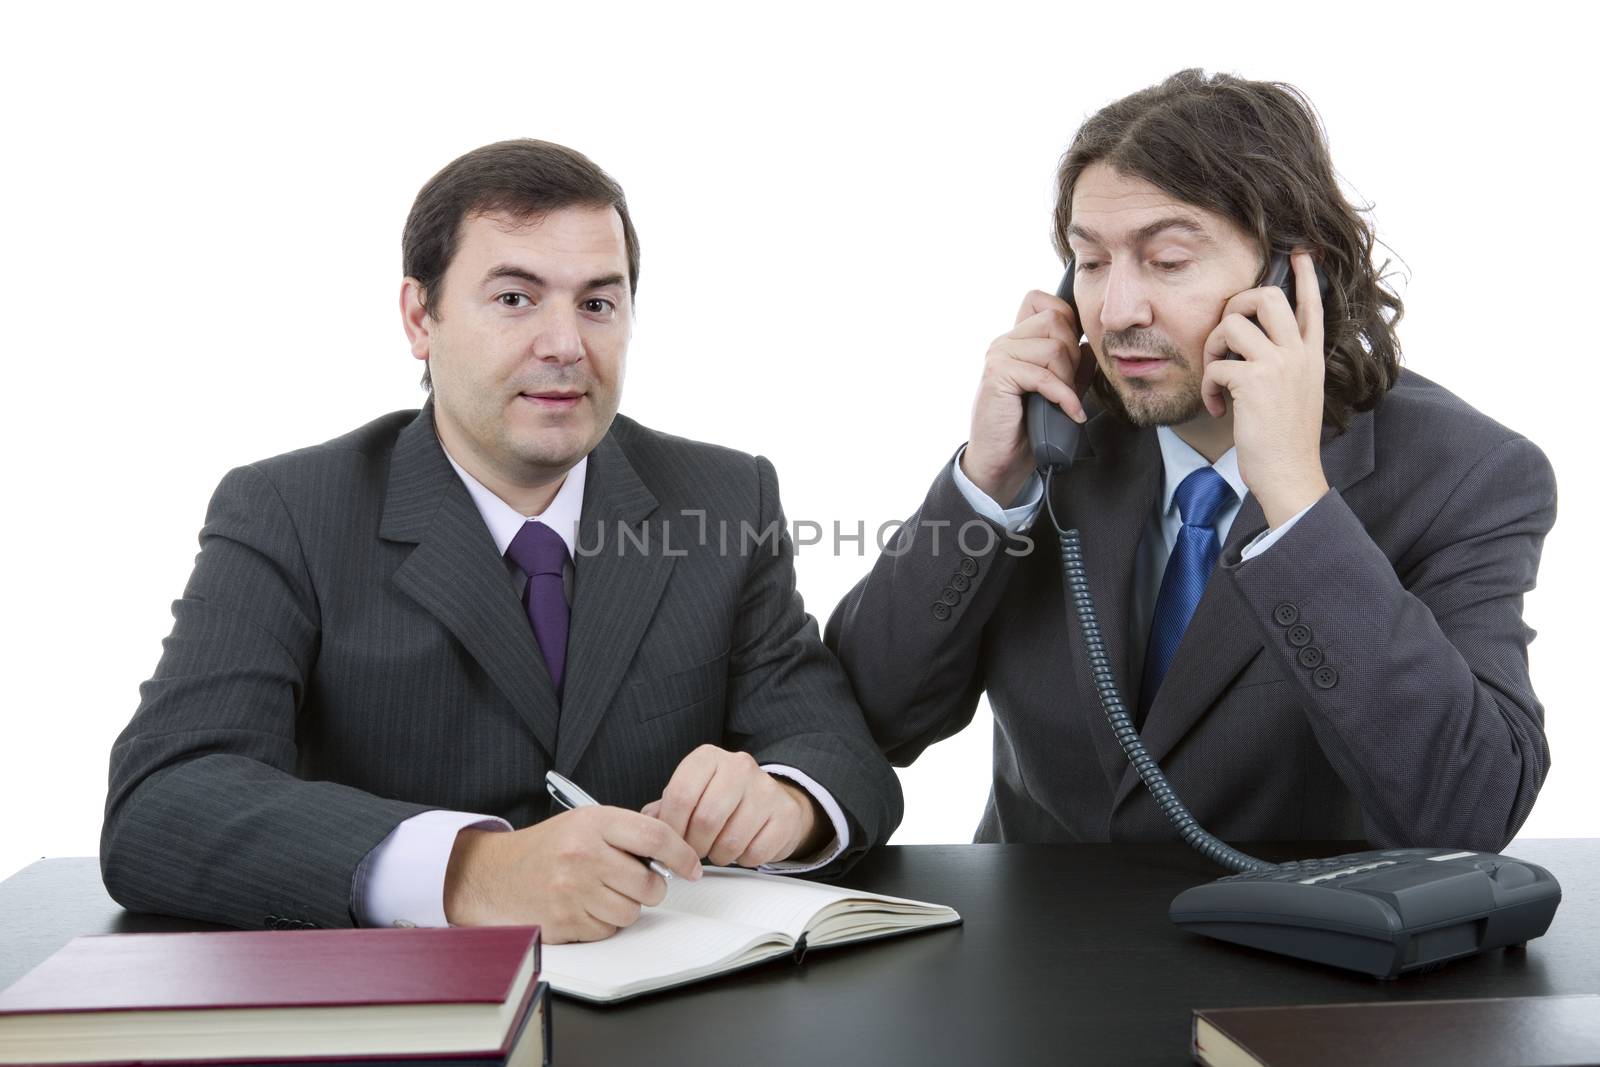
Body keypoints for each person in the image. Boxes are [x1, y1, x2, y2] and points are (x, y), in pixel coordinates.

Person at [101, 139, 902, 942]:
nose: (564, 345)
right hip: (404, 1019)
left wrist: (786, 802)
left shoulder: (726, 497)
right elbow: (163, 800)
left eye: (597, 303)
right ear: (421, 317)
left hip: (670, 1003)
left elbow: (841, 751)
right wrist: (470, 872)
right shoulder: (288, 510)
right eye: (516, 298)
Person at [825, 70, 1554, 853]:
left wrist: (1298, 503)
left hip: (1304, 957)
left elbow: (1470, 808)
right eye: (1093, 261)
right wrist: (986, 486)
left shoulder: (1467, 475)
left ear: (1289, 275)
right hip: (1036, 949)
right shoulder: (1057, 439)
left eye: (1168, 260)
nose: (1116, 311)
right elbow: (863, 723)